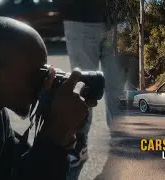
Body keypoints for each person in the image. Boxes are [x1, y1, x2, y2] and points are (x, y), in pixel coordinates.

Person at [0, 17, 95, 179]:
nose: (42, 85)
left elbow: (21, 169)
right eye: (35, 75)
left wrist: (61, 130)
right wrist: (55, 133)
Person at [56, 0, 125, 179]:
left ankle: (120, 148)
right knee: (83, 87)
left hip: (122, 19)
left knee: (118, 89)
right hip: (79, 17)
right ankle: (79, 145)